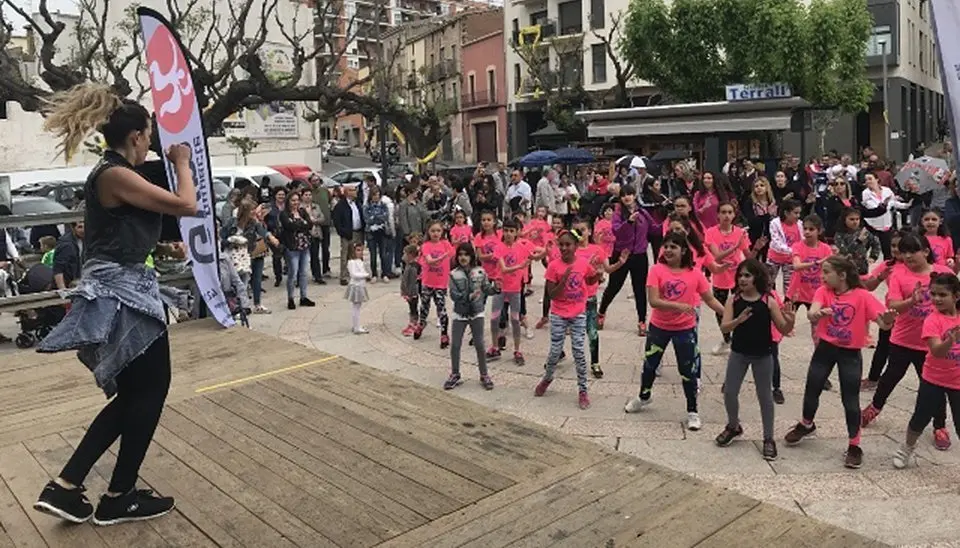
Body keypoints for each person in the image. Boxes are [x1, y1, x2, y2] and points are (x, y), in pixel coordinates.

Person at [33, 83, 196, 525]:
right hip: (122, 294)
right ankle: (118, 495)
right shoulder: (115, 173)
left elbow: (123, 233)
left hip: (123, 288)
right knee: (151, 389)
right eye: (149, 135)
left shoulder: (115, 174)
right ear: (138, 137)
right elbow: (188, 204)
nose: (150, 143)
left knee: (136, 394)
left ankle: (67, 486)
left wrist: (161, 249)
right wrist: (182, 162)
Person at [784, 256, 895, 469]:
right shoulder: (823, 292)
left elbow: (883, 322)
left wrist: (888, 319)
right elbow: (811, 313)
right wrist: (817, 313)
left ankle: (854, 445)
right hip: (825, 350)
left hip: (850, 354)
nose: (822, 276)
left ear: (842, 275)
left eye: (827, 272)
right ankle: (807, 423)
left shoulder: (863, 296)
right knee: (812, 387)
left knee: (850, 399)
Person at [624, 232, 725, 430]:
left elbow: (710, 299)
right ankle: (644, 396)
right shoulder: (656, 270)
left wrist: (728, 314)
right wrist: (679, 306)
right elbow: (653, 301)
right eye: (666, 246)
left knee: (688, 371)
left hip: (685, 330)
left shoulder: (694, 273)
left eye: (673, 247)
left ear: (684, 250)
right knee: (650, 365)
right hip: (659, 328)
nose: (668, 250)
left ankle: (692, 411)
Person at [861, 232, 953, 449]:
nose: (908, 256)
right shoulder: (899, 273)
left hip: (932, 344)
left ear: (926, 252)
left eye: (913, 251)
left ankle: (939, 426)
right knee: (890, 377)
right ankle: (874, 408)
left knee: (934, 386)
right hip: (903, 339)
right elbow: (893, 304)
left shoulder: (943, 273)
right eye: (904, 252)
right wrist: (912, 300)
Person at [715, 259, 796, 460]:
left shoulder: (768, 300)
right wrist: (737, 320)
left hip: (763, 354)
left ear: (757, 278)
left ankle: (768, 438)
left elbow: (783, 329)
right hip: (739, 353)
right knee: (730, 392)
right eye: (740, 275)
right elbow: (724, 327)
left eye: (747, 275)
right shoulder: (733, 300)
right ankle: (733, 426)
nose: (742, 279)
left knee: (765, 398)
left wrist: (790, 321)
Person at [892, 273, 960, 468]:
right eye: (934, 294)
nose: (937, 299)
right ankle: (907, 447)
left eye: (943, 295)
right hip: (933, 379)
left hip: (957, 382)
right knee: (920, 418)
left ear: (956, 296)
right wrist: (950, 340)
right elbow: (937, 351)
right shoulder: (932, 320)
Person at [534, 230, 601, 410]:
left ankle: (583, 390)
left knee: (579, 351)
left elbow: (590, 279)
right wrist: (563, 279)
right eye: (561, 244)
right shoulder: (554, 266)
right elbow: (552, 294)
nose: (564, 248)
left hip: (578, 312)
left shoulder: (583, 263)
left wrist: (598, 274)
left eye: (568, 244)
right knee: (555, 351)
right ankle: (547, 378)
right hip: (558, 313)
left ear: (576, 247)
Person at [597, 185, 657, 335]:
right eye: (624, 195)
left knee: (640, 290)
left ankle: (642, 321)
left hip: (640, 256)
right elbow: (617, 231)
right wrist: (629, 222)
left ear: (635, 195)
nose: (627, 197)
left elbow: (654, 229)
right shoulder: (618, 214)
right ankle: (601, 312)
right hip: (622, 255)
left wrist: (669, 219)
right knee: (613, 287)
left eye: (629, 194)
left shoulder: (643, 212)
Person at [446, 243, 499, 390]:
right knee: (455, 345)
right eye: (460, 255)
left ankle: (484, 374)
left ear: (472, 256)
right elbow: (454, 295)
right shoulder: (453, 274)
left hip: (477, 312)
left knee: (480, 344)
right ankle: (455, 373)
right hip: (460, 313)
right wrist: (468, 297)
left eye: (466, 254)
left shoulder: (480, 272)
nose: (463, 257)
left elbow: (486, 289)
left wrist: (496, 288)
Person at [415, 220, 454, 347]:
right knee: (424, 306)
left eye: (438, 231)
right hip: (427, 282)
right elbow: (430, 261)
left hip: (440, 283)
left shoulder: (446, 244)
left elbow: (454, 255)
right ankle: (421, 324)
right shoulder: (426, 245)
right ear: (428, 232)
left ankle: (444, 333)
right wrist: (443, 257)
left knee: (441, 308)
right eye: (433, 231)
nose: (435, 233)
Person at [279, 191, 316, 310]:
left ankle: (303, 297)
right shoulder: (284, 214)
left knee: (304, 272)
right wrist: (302, 223)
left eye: (297, 200)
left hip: (304, 245)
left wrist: (301, 223)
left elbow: (309, 224)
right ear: (288, 201)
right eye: (293, 200)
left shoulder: (302, 211)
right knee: (293, 273)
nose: (295, 203)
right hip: (292, 246)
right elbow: (289, 226)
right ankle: (290, 298)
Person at [333, 184, 365, 286]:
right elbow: (337, 221)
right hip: (347, 233)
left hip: (358, 232)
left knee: (358, 254)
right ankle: (344, 276)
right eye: (352, 190)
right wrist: (342, 232)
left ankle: (358, 272)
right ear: (347, 192)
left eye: (355, 190)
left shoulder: (357, 203)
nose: (355, 192)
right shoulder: (340, 205)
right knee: (345, 255)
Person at [345, 242, 370, 334]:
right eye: (358, 250)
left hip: (361, 285)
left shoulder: (360, 261)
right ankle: (356, 327)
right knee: (356, 307)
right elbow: (354, 274)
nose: (360, 252)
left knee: (358, 307)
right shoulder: (351, 262)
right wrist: (365, 275)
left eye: (361, 250)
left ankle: (356, 325)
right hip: (356, 286)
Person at [400, 244, 421, 336]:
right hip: (408, 292)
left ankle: (414, 324)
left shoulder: (412, 267)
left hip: (412, 293)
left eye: (404, 254)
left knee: (413, 309)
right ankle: (412, 323)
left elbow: (412, 282)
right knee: (411, 308)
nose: (403, 256)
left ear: (410, 255)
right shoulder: (408, 265)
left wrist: (410, 294)